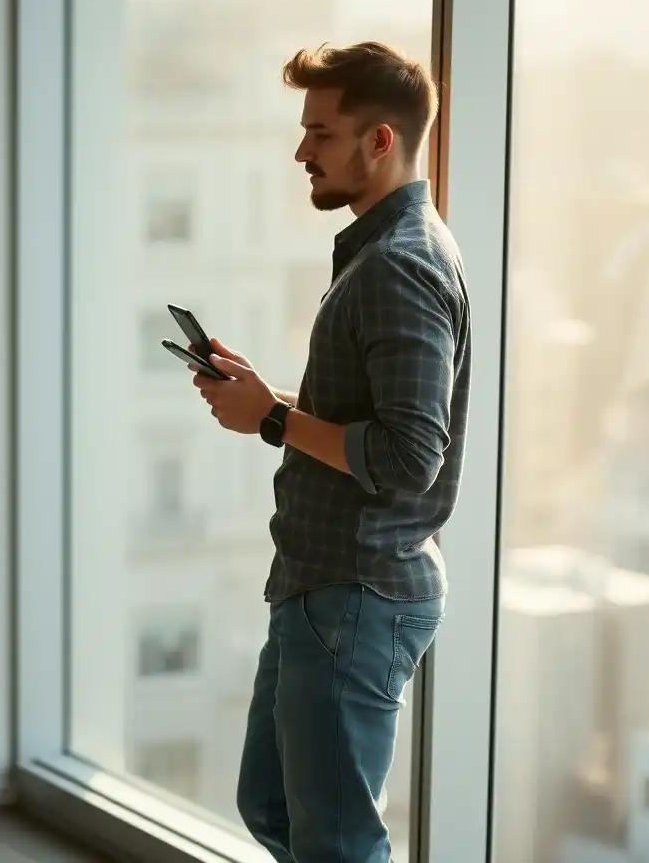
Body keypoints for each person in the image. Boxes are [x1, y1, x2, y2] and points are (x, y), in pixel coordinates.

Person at [191, 42, 472, 863]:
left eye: (320, 133)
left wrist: (274, 418)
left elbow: (409, 457)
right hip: (322, 586)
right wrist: (266, 399)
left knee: (337, 845)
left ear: (380, 141)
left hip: (357, 592)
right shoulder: (380, 254)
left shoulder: (400, 267)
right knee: (272, 807)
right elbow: (370, 419)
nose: (301, 152)